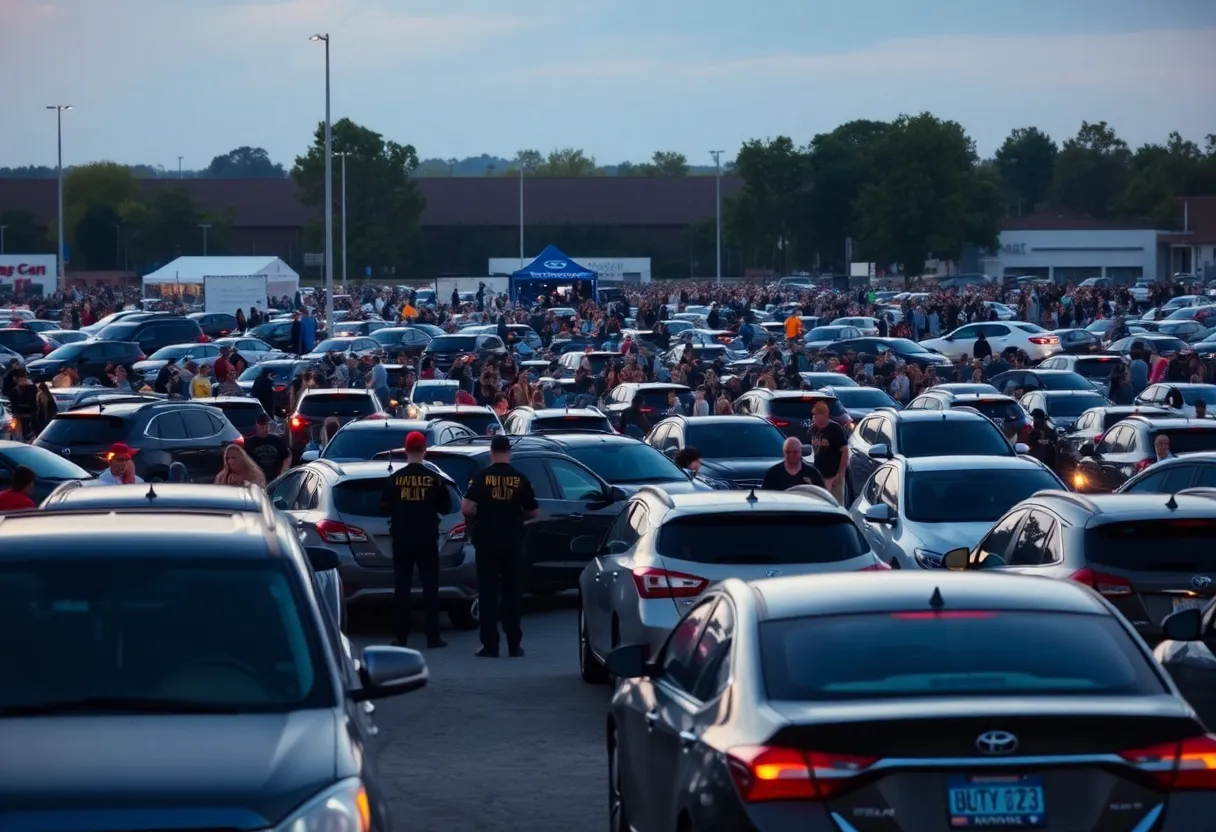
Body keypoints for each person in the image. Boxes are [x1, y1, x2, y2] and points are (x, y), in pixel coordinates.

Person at [461, 434, 539, 658]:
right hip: (513, 541)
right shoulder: (520, 479)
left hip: (486, 541)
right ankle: (514, 644)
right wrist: (516, 515)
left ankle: (490, 645)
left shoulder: (481, 478)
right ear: (509, 453)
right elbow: (533, 510)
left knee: (487, 593)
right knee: (512, 592)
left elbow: (466, 508)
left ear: (491, 452)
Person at [380, 431, 452, 648]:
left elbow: (383, 507)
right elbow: (447, 507)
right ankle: (433, 637)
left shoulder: (395, 479)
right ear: (424, 451)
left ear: (405, 451)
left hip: (402, 539)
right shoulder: (434, 479)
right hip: (427, 538)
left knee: (402, 588)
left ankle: (401, 637)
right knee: (431, 587)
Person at [807, 401, 848, 502]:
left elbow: (845, 451)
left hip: (834, 475)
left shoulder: (835, 429)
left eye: (816, 415)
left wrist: (840, 473)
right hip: (818, 475)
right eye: (813, 415)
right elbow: (808, 451)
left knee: (836, 503)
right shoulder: (812, 430)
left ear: (824, 415)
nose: (814, 417)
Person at [245, 414, 291, 483]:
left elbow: (287, 456)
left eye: (266, 427)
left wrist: (283, 474)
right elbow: (245, 461)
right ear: (257, 426)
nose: (265, 430)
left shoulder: (277, 440)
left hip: (275, 479)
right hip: (257, 480)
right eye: (262, 428)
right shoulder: (250, 443)